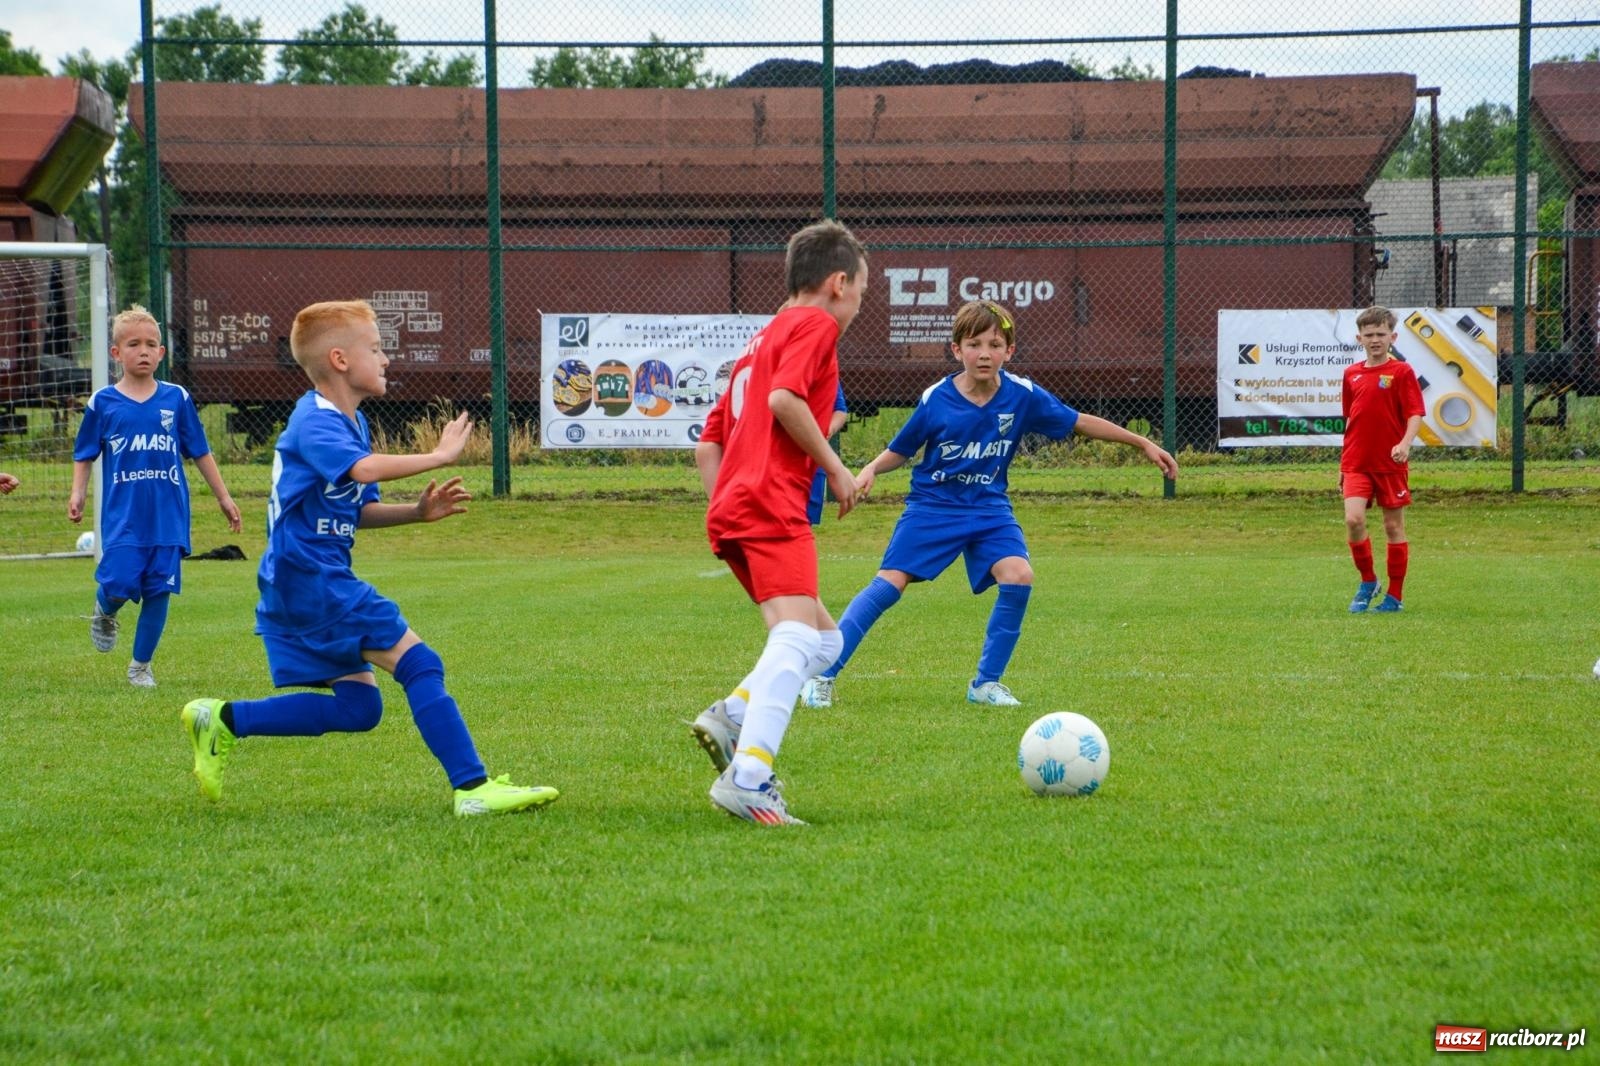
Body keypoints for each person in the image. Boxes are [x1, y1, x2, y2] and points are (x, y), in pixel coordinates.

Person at [179, 299, 557, 817]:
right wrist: (440, 456)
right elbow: (362, 472)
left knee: (360, 709)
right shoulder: (314, 420)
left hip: (302, 578)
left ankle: (222, 720)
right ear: (339, 360)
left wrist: (416, 514)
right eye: (376, 349)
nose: (386, 360)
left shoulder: (349, 423)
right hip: (312, 576)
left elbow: (358, 508)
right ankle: (473, 788)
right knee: (420, 663)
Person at [797, 300, 1178, 710]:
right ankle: (822, 674)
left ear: (1009, 351)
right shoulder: (936, 398)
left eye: (995, 344)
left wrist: (1142, 441)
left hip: (989, 509)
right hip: (934, 506)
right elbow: (902, 448)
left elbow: (1078, 420)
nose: (984, 353)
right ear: (956, 349)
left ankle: (986, 684)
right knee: (889, 585)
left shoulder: (1022, 395)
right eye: (974, 343)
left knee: (1018, 574)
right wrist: (870, 469)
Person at [688, 219, 867, 825]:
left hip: (736, 507)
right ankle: (751, 777)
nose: (857, 309)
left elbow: (706, 445)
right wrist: (837, 470)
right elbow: (785, 402)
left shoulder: (760, 339)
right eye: (862, 294)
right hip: (772, 502)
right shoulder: (814, 325)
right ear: (838, 283)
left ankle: (734, 714)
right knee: (794, 639)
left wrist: (726, 503)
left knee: (825, 641)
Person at [68, 305, 241, 688]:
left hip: (168, 515)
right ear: (117, 353)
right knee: (119, 582)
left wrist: (224, 498)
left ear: (162, 353)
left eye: (151, 344)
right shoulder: (103, 403)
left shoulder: (176, 398)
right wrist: (77, 493)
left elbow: (199, 451)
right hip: (125, 516)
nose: (143, 351)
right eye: (133, 344)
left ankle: (140, 667)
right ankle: (105, 608)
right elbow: (84, 453)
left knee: (158, 591)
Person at [1341, 304, 1424, 613]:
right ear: (1359, 338)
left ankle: (1395, 597)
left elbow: (1415, 413)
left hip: (1390, 463)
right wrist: (1343, 464)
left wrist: (1405, 443)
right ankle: (1368, 581)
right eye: (1369, 335)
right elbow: (1352, 420)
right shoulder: (1351, 374)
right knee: (1353, 519)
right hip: (1356, 462)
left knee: (1392, 527)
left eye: (1380, 334)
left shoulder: (1401, 372)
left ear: (1393, 337)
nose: (1375, 339)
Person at [806, 383, 850, 525]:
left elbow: (840, 410)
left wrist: (829, 429)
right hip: (780, 462)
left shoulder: (825, 370)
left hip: (813, 459)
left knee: (805, 521)